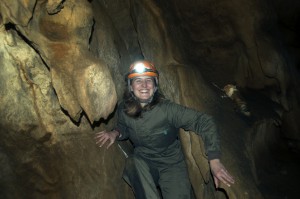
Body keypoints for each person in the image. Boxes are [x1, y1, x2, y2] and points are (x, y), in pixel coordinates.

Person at [95, 60, 235, 199]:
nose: (144, 85)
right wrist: (115, 132)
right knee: (133, 163)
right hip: (144, 160)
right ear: (131, 87)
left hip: (172, 164)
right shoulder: (124, 109)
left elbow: (204, 121)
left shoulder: (167, 109)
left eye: (149, 81)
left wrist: (214, 160)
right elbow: (124, 127)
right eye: (138, 81)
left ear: (155, 86)